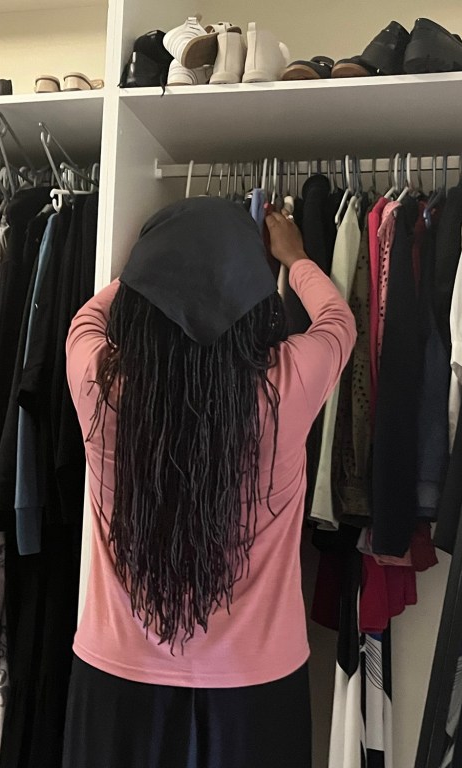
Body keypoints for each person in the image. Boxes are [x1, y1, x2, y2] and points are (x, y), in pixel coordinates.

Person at [63, 196, 356, 768]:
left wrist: (151, 269)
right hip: (254, 692)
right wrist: (294, 257)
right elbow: (337, 322)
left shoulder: (97, 378)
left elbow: (87, 318)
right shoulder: (287, 384)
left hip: (118, 687)